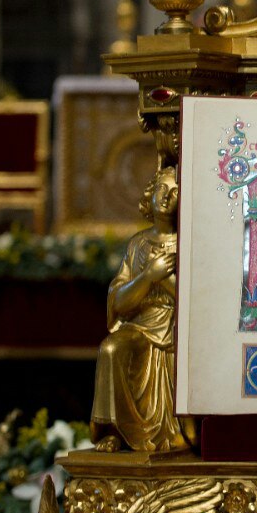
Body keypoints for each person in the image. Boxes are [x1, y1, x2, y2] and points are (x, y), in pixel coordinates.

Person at [91, 166, 194, 453]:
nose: (166, 196)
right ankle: (114, 430)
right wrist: (148, 276)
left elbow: (195, 301)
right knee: (111, 348)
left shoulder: (190, 243)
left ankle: (182, 432)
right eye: (161, 189)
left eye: (175, 191)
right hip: (141, 325)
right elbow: (119, 302)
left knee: (186, 351)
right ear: (150, 195)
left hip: (177, 325)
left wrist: (164, 279)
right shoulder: (138, 244)